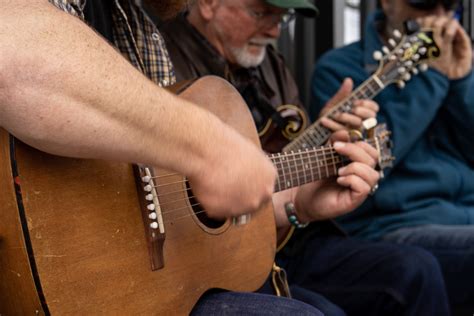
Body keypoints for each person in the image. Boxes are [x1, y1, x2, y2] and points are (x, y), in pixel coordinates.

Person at [0, 1, 377, 315]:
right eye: (262, 13)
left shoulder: (138, 24)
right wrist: (206, 145)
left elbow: (170, 198)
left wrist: (294, 205)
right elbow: (11, 47)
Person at [157, 0, 451, 315]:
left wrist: (323, 130)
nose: (274, 29)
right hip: (209, 252)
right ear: (208, 3)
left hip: (287, 235)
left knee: (416, 270)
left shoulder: (271, 65)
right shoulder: (163, 59)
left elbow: (284, 161)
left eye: (283, 17)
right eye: (261, 13)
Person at [310, 0, 474, 311]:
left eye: (449, 5)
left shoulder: (455, 65)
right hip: (394, 225)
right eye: (423, 4)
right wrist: (433, 79)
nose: (438, 18)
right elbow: (374, 158)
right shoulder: (340, 69)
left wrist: (463, 81)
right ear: (388, 3)